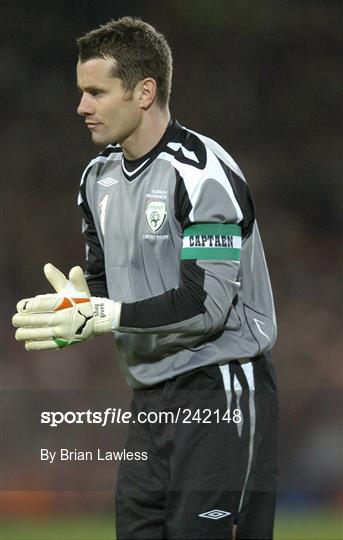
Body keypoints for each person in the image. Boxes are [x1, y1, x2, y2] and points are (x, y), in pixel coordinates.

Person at [12, 17, 279, 540]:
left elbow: (208, 305)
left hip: (219, 388)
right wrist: (82, 310)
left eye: (95, 92)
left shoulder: (203, 176)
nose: (81, 107)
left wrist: (109, 314)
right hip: (150, 397)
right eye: (80, 92)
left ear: (144, 92)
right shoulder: (97, 180)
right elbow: (105, 288)